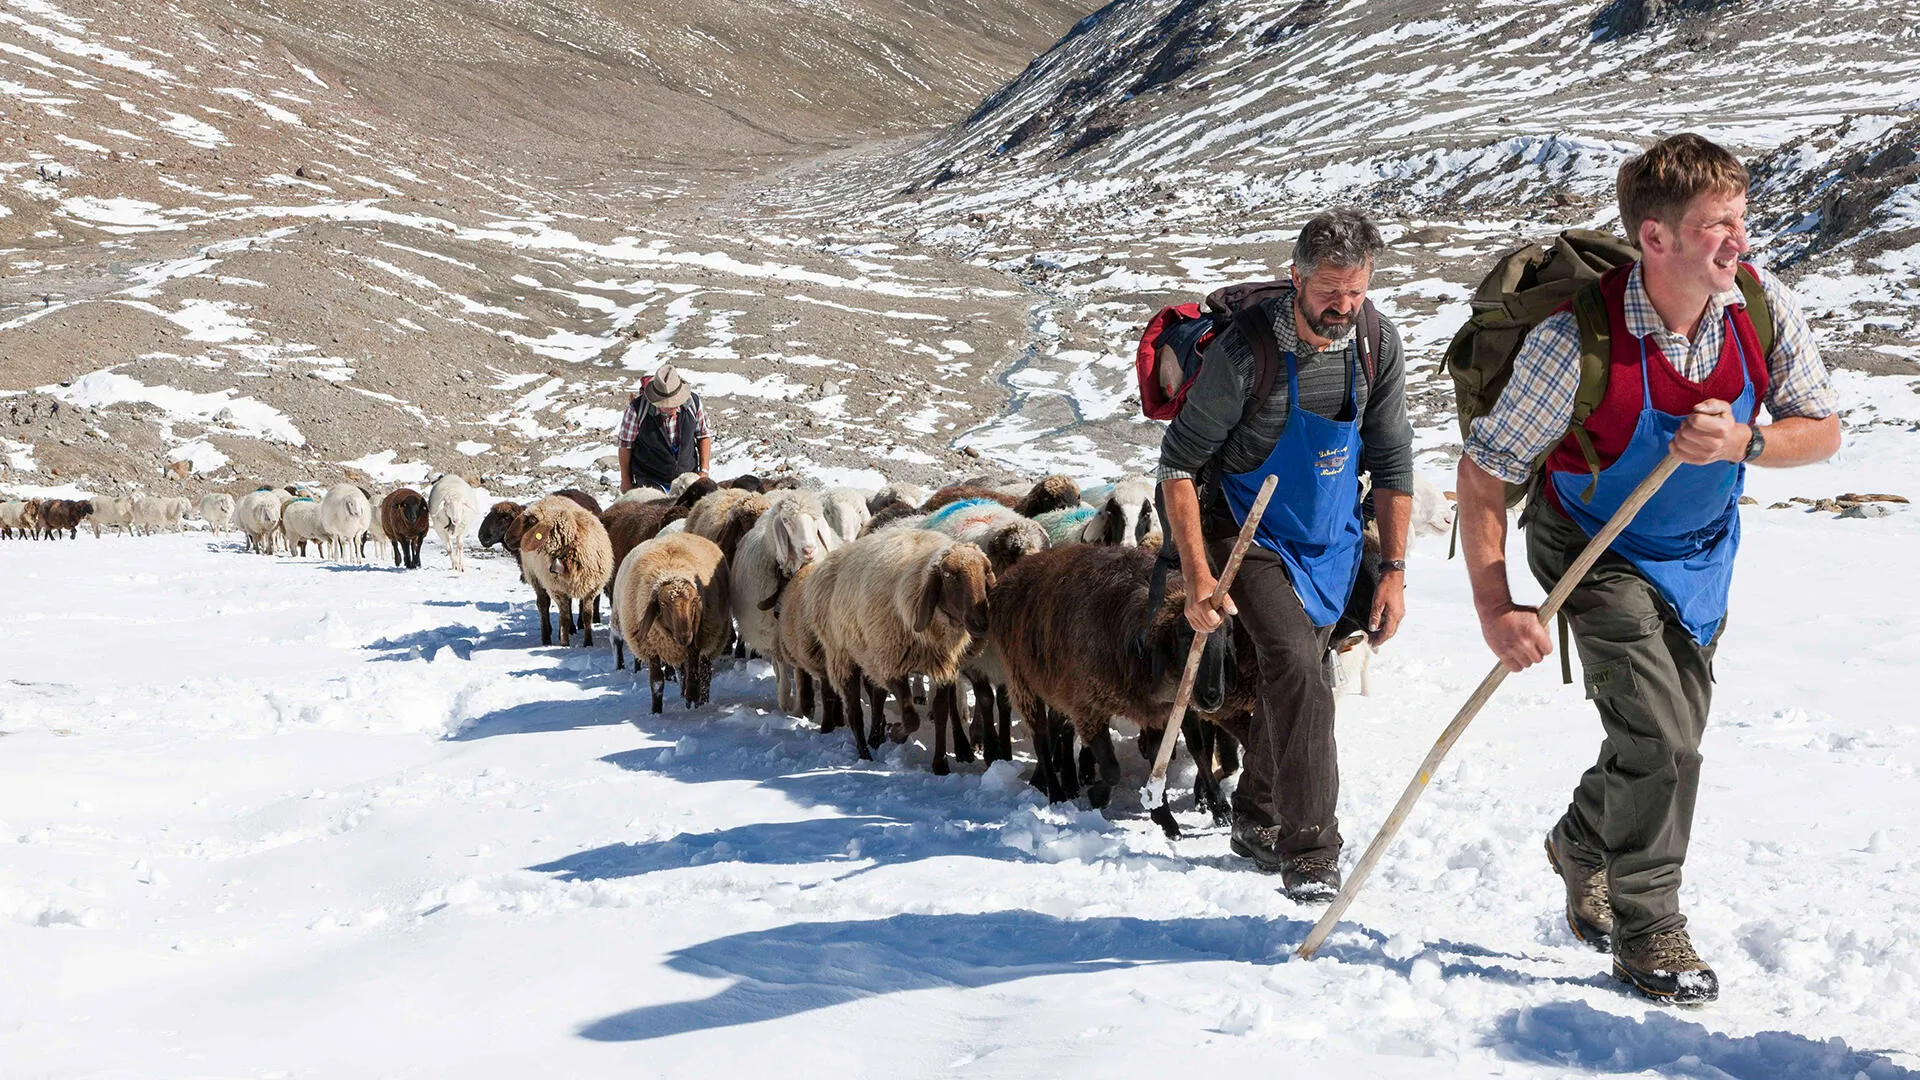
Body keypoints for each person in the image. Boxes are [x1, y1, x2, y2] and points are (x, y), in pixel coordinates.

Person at [1456, 133, 1840, 1004]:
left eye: (1739, 220)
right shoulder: (1573, 342)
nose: (1737, 243)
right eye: (1715, 227)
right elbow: (1485, 475)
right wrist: (1496, 605)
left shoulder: (1760, 305)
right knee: (1664, 743)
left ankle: (1581, 842)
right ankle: (1647, 928)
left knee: (1669, 743)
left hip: (1702, 555)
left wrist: (1747, 442)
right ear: (1656, 239)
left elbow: (1821, 429)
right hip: (1594, 546)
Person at [1158, 206, 1416, 904]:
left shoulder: (1375, 342)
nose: (1343, 306)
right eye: (1330, 289)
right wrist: (1198, 575)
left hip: (1328, 533)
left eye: (1356, 291)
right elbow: (1178, 466)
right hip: (1245, 529)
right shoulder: (1245, 354)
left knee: (1300, 674)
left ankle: (1256, 816)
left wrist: (1391, 570)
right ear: (1297, 279)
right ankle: (1311, 847)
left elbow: (1393, 460)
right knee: (1299, 666)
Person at [616, 364, 711, 493]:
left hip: (687, 477)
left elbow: (703, 435)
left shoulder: (693, 403)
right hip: (650, 479)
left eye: (673, 403)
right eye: (664, 404)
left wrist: (704, 470)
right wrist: (626, 481)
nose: (669, 407)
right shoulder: (637, 410)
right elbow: (625, 445)